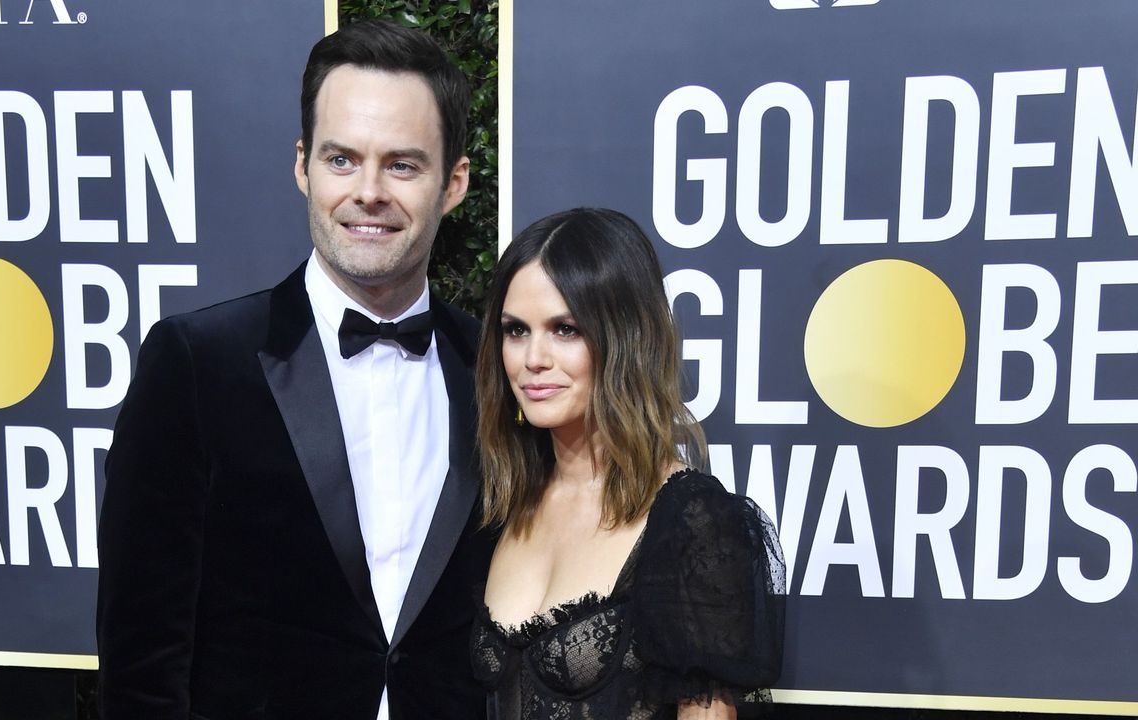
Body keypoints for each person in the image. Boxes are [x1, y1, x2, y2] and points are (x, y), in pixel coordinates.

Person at [96, 20, 493, 719]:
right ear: (303, 165)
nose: (368, 191)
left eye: (402, 165)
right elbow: (142, 655)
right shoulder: (197, 364)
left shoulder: (494, 371)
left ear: (454, 183)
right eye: (343, 160)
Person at [469, 208, 786, 720]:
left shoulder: (694, 523)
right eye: (515, 330)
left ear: (625, 337)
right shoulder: (507, 501)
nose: (533, 358)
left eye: (566, 329)